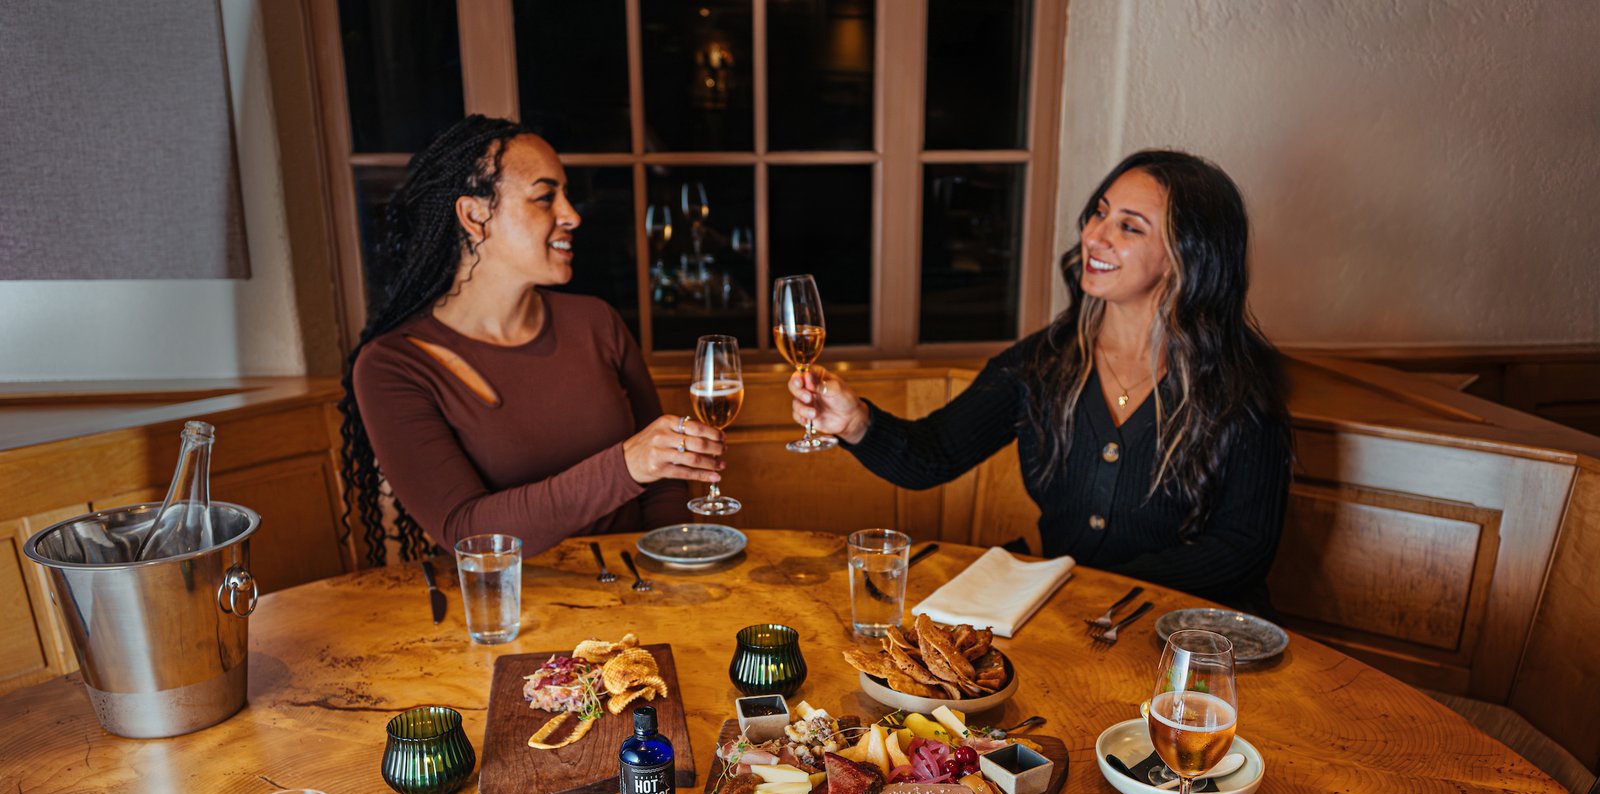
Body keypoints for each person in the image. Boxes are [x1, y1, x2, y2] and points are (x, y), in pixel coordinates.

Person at [790, 150, 1292, 613]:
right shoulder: (1044, 363)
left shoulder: (1239, 387)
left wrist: (1092, 586)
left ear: (1188, 254)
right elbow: (933, 453)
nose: (1095, 236)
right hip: (1075, 625)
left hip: (1193, 650)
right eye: (1100, 212)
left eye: (1129, 227)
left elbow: (1241, 551)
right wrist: (856, 423)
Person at [338, 115, 723, 566]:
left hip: (633, 591)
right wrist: (625, 466)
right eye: (545, 197)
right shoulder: (393, 366)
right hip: (513, 615)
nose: (572, 215)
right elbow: (465, 530)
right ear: (474, 215)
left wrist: (667, 566)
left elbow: (665, 482)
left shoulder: (596, 321)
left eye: (566, 194)